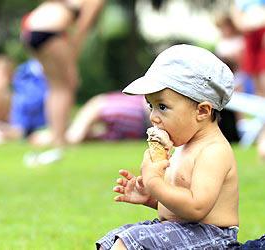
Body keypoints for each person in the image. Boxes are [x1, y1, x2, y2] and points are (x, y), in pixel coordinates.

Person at [96, 44, 240, 249]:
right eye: (150, 105)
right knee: (113, 240)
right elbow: (179, 207)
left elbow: (196, 208)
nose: (153, 117)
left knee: (129, 243)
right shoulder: (183, 145)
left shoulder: (213, 151)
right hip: (185, 231)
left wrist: (155, 182)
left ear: (202, 111)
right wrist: (154, 199)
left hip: (213, 238)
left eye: (162, 107)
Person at [20, 0, 104, 151]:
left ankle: (56, 135)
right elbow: (82, 28)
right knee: (66, 85)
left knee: (55, 86)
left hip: (31, 28)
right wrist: (72, 60)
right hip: (50, 31)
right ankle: (59, 139)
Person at [29, 91, 151, 146]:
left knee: (81, 136)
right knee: (76, 136)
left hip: (140, 122)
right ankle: (54, 136)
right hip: (138, 113)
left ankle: (53, 136)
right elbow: (98, 105)